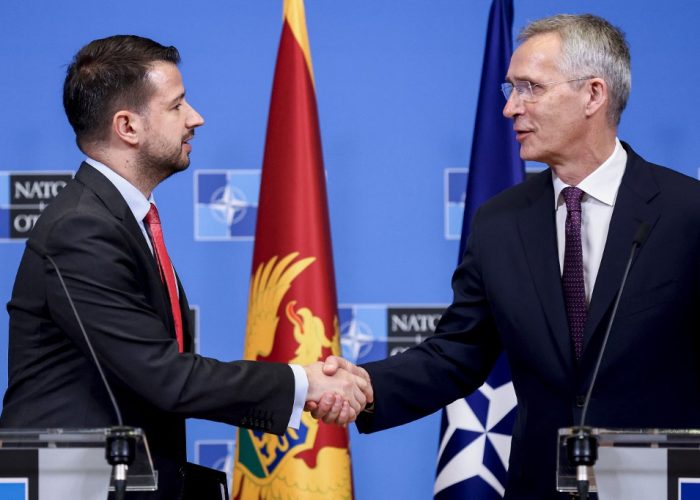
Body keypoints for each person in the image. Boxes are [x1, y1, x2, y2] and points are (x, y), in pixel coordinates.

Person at [313, 13, 700, 499]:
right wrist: (366, 385)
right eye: (509, 89)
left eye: (530, 88)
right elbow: (457, 353)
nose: (511, 108)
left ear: (594, 94)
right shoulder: (500, 221)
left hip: (661, 485)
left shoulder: (686, 212)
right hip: (537, 483)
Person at [0, 35, 371, 499]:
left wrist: (303, 387)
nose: (196, 118)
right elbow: (167, 378)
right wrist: (303, 381)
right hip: (77, 486)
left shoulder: (117, 220)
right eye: (177, 106)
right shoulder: (81, 229)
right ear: (127, 127)